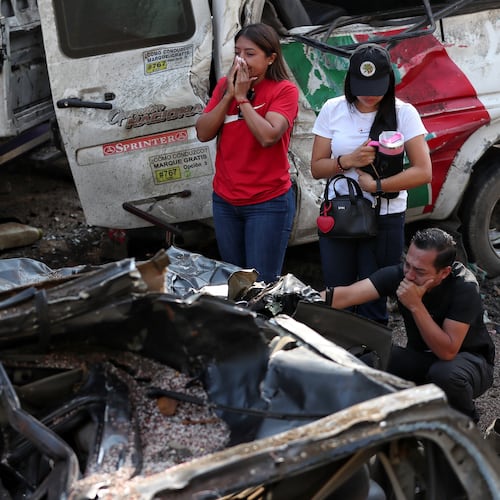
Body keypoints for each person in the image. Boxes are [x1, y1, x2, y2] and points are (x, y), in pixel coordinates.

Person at [311, 43, 432, 324]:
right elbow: (317, 167)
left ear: (389, 81)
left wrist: (378, 186)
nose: (368, 94)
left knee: (373, 298)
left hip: (384, 217)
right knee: (336, 295)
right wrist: (348, 160)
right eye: (361, 85)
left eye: (376, 86)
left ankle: (371, 360)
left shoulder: (404, 113)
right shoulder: (333, 109)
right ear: (349, 81)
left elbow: (423, 171)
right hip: (339, 214)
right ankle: (336, 356)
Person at [326, 227, 495, 422]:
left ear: (444, 272)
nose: (410, 275)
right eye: (408, 265)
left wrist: (415, 305)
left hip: (469, 363)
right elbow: (346, 295)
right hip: (423, 358)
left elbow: (448, 351)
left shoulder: (464, 287)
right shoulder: (404, 274)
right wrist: (299, 298)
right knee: (367, 363)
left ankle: (466, 426)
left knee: (444, 374)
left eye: (420, 271)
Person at [195, 23, 299, 284]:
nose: (241, 60)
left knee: (260, 286)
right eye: (238, 52)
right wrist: (229, 95)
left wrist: (243, 99)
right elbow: (203, 132)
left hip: (267, 202)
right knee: (235, 283)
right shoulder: (224, 87)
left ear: (271, 57)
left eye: (250, 53)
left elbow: (268, 136)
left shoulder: (284, 90)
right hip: (226, 201)